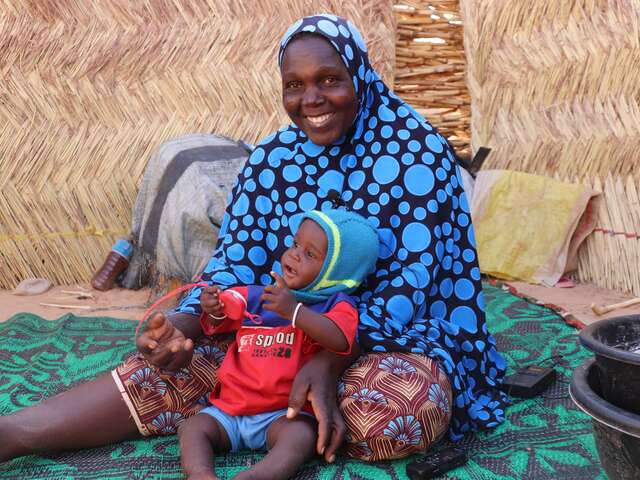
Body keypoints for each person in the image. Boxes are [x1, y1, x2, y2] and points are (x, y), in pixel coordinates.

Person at [0, 14, 507, 466]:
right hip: (269, 333)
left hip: (387, 342)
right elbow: (233, 267)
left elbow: (407, 293)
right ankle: (12, 435)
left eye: (330, 80)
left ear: (360, 76)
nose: (311, 101)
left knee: (395, 411)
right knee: (163, 367)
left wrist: (328, 359)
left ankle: (263, 414)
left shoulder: (418, 153)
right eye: (295, 85)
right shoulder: (273, 159)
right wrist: (185, 323)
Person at [178, 208, 378, 480]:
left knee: (300, 438)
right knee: (193, 427)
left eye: (310, 254)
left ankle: (258, 475)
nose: (295, 254)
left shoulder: (335, 306)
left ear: (337, 272)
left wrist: (295, 312)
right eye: (295, 244)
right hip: (229, 410)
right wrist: (213, 307)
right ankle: (200, 473)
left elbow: (341, 339)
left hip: (282, 416)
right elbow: (229, 308)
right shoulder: (263, 296)